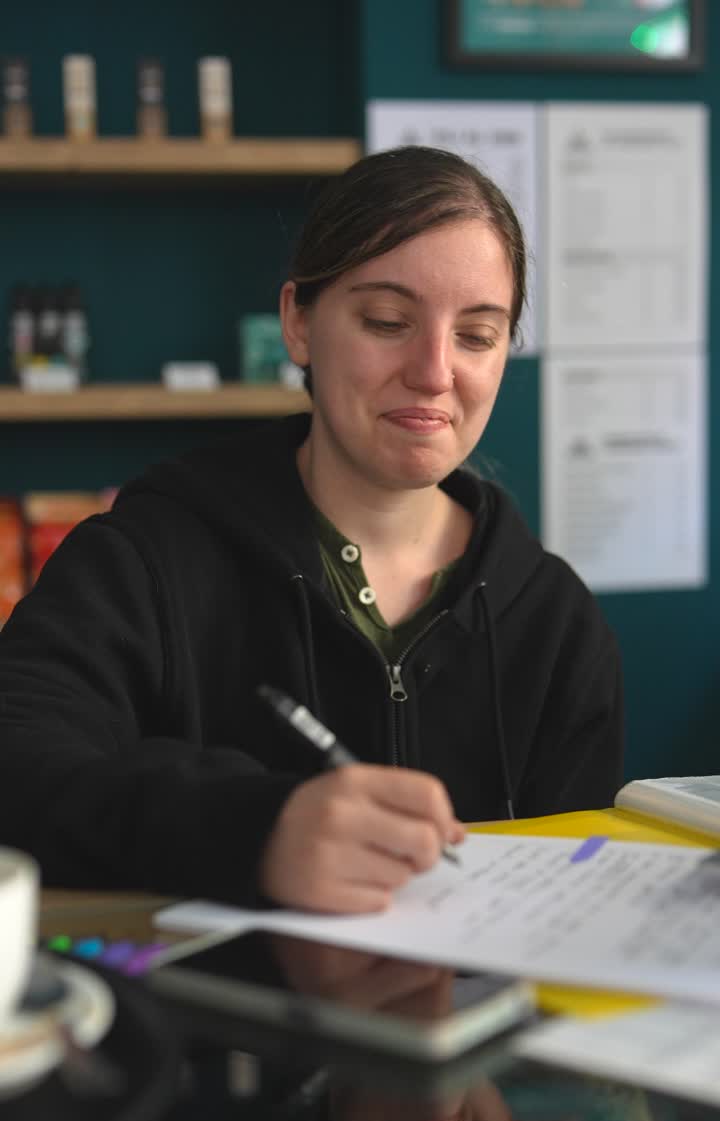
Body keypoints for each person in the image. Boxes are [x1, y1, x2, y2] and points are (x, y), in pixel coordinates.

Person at [0, 146, 622, 913]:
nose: (434, 371)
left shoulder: (557, 621)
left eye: (476, 335)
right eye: (387, 321)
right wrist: (251, 829)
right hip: (206, 1025)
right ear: (298, 323)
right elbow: (16, 765)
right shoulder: (144, 559)